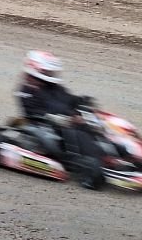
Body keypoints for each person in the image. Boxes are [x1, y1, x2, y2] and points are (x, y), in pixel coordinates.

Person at [14, 50, 105, 188]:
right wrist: (64, 118)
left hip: (65, 122)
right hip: (44, 127)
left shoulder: (53, 87)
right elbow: (34, 113)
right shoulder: (26, 91)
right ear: (37, 70)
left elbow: (69, 99)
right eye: (48, 71)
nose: (51, 74)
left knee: (99, 128)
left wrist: (83, 101)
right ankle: (98, 161)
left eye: (52, 72)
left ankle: (123, 154)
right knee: (79, 133)